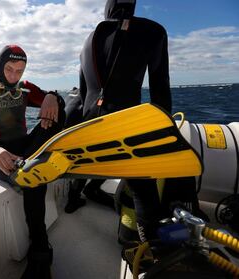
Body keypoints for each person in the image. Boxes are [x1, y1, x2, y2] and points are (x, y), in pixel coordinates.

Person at [65, 0, 172, 242]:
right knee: (144, 190)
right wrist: (163, 139)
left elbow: (83, 94)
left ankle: (75, 199)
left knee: (88, 160)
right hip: (123, 124)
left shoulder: (88, 41)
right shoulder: (153, 31)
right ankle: (149, 251)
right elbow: (160, 89)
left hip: (90, 126)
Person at [0, 45, 65, 279]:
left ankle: (55, 152)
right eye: (9, 69)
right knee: (33, 177)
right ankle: (41, 252)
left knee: (64, 107)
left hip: (24, 146)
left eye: (19, 71)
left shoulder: (25, 88)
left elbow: (52, 103)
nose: (13, 76)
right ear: (0, 67)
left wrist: (52, 96)